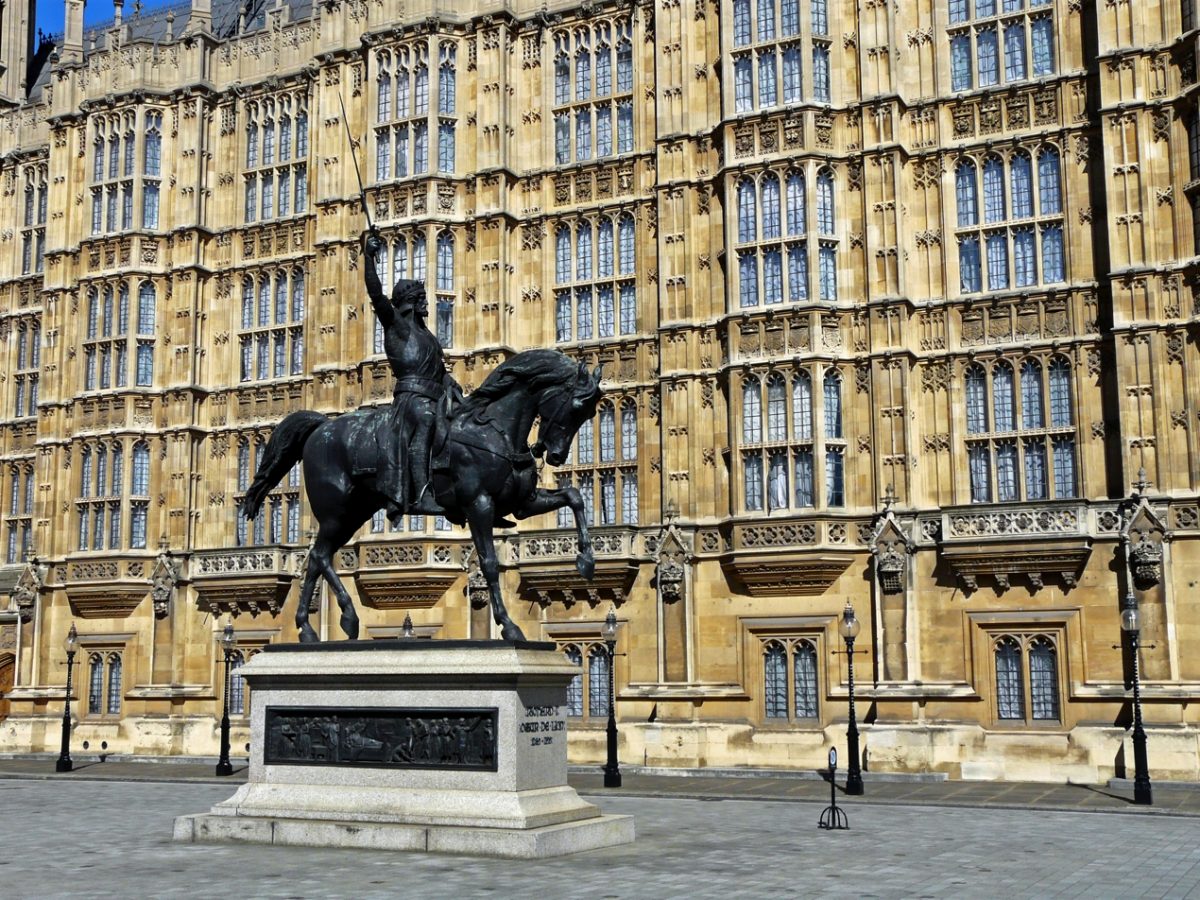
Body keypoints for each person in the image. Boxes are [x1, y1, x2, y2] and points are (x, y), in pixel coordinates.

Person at [363, 229, 460, 523]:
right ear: (411, 302)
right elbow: (376, 294)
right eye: (421, 298)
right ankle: (422, 494)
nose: (427, 303)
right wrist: (368, 257)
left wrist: (450, 384)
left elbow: (439, 371)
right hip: (412, 400)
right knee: (427, 419)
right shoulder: (397, 327)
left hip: (434, 395)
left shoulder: (427, 337)